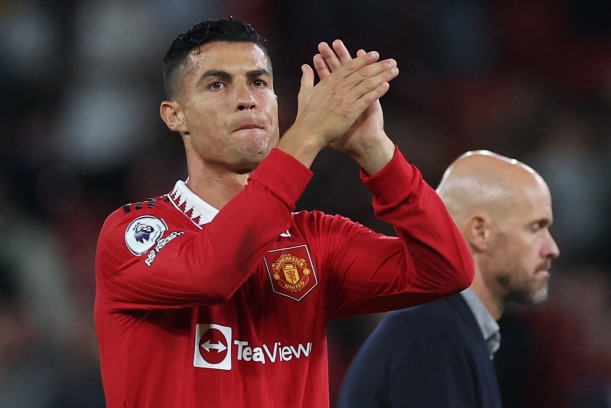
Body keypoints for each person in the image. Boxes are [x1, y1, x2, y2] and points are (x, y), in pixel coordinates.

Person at [93, 18, 474, 408]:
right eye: (216, 84)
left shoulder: (318, 240)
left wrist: (375, 149)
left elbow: (446, 269)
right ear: (175, 116)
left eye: (258, 82)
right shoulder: (133, 233)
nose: (247, 99)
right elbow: (214, 271)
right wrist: (307, 135)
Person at [337, 150, 561, 408]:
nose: (552, 248)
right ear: (480, 232)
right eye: (535, 228)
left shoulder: (448, 329)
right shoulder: (431, 336)